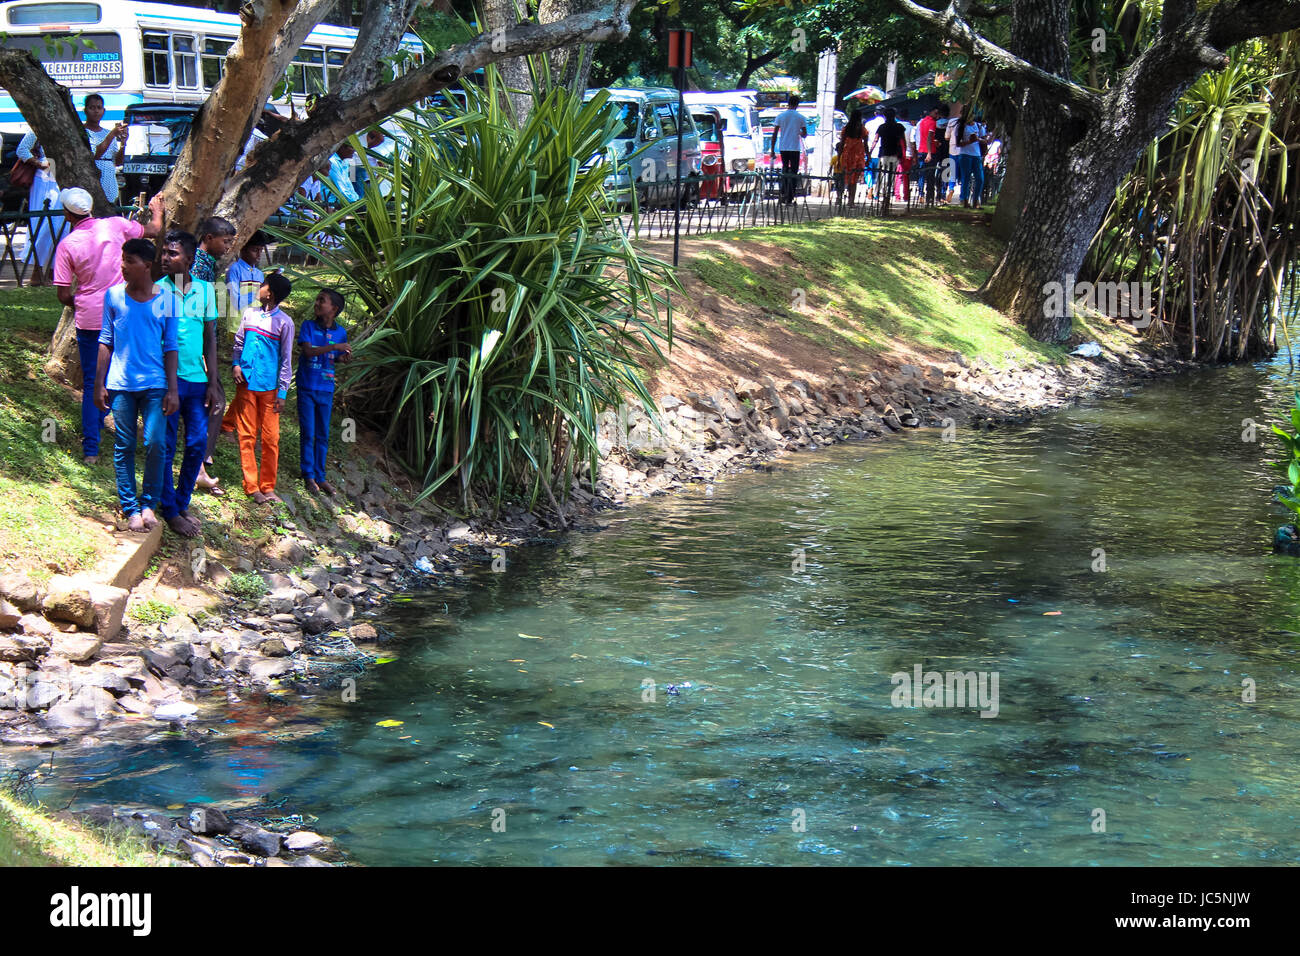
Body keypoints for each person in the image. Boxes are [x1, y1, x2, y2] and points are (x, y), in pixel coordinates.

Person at [53, 187, 165, 464]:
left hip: (90, 318)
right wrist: (158, 211)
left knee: (95, 380)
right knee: (124, 375)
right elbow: (152, 230)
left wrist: (81, 301)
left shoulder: (68, 244)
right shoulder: (116, 224)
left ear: (68, 214)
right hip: (125, 314)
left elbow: (63, 294)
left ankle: (91, 449)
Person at [94, 238, 179, 533]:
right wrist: (98, 384)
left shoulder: (166, 298)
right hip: (120, 384)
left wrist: (173, 389)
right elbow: (105, 341)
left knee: (156, 443)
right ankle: (130, 507)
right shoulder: (114, 295)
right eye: (122, 259)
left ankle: (149, 504)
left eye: (130, 260)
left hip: (156, 384)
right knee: (124, 445)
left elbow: (171, 347)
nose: (123, 265)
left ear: (147, 265)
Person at [156, 230, 221, 538]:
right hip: (168, 382)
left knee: (196, 444)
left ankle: (182, 502)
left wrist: (213, 382)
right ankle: (169, 509)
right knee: (165, 447)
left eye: (172, 254)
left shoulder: (208, 291)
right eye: (164, 253)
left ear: (190, 259)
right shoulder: (158, 290)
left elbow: (210, 338)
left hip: (197, 381)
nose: (165, 258)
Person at [197, 229, 271, 498]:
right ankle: (204, 456)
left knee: (236, 384)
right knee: (228, 384)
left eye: (260, 250)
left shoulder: (259, 275)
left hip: (249, 329)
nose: (257, 254)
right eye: (253, 249)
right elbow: (236, 301)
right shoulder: (231, 271)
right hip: (236, 326)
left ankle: (224, 429)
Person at [231, 273, 294, 504]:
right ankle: (252, 486)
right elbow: (238, 343)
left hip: (269, 388)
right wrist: (236, 365)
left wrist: (283, 392)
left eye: (264, 285)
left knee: (271, 438)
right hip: (246, 383)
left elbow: (286, 360)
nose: (260, 287)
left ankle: (268, 487)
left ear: (271, 293)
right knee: (246, 435)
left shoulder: (284, 322)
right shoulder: (249, 314)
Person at [297, 289, 350, 495]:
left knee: (323, 434)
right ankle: (308, 475)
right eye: (317, 299)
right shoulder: (308, 326)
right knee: (308, 432)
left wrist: (341, 357)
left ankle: (321, 476)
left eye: (322, 301)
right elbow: (308, 351)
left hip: (326, 388)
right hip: (307, 386)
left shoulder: (341, 332)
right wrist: (335, 347)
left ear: (334, 309)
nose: (317, 303)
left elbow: (335, 356)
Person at [16, 133, 62, 286]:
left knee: (59, 223)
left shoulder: (67, 124)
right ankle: (37, 271)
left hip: (61, 175)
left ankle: (53, 271)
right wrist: (38, 163)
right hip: (43, 178)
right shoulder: (36, 127)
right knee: (41, 223)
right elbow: (22, 149)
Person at [82, 93, 126, 204]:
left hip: (109, 181)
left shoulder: (107, 132)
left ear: (103, 110)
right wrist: (112, 134)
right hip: (93, 179)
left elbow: (118, 162)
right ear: (85, 110)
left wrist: (123, 144)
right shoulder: (83, 131)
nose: (96, 111)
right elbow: (95, 154)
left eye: (99, 108)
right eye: (92, 108)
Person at [769, 95, 806, 206]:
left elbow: (774, 134)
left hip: (783, 147)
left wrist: (772, 150)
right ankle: (791, 197)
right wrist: (799, 133)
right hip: (795, 148)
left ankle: (783, 194)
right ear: (797, 104)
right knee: (794, 172)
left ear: (788, 103)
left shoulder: (780, 116)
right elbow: (805, 134)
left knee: (785, 170)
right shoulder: (801, 117)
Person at [871, 108, 907, 208]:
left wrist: (869, 152)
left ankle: (879, 194)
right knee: (892, 176)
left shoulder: (882, 127)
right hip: (894, 154)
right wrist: (903, 153)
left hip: (883, 154)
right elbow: (903, 141)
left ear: (885, 116)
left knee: (881, 175)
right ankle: (888, 195)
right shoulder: (899, 127)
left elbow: (875, 140)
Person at [948, 106, 983, 208]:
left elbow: (984, 140)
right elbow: (958, 144)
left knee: (980, 179)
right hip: (965, 154)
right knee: (965, 178)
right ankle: (965, 200)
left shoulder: (978, 126)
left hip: (976, 154)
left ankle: (975, 200)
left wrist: (979, 140)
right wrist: (970, 141)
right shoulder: (960, 126)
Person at [192, 217, 236, 282]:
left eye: (230, 243)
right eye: (225, 242)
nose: (228, 247)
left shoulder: (208, 264)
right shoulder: (197, 265)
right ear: (209, 238)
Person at [838, 109, 867, 207]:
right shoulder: (862, 129)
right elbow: (866, 144)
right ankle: (851, 201)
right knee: (854, 179)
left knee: (845, 176)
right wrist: (868, 156)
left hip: (847, 155)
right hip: (858, 155)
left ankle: (839, 198)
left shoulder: (846, 128)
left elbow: (842, 143)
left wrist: (839, 157)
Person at [917, 105, 943, 206]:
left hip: (921, 150)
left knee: (922, 175)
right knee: (930, 176)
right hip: (930, 151)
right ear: (931, 112)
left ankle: (921, 194)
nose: (937, 115)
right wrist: (929, 153)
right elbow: (929, 137)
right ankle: (929, 198)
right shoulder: (932, 123)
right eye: (936, 113)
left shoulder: (922, 121)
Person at [862, 107, 886, 199]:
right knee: (880, 173)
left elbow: (865, 139)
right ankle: (876, 192)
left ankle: (870, 186)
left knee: (868, 171)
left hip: (870, 152)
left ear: (875, 113)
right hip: (882, 153)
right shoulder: (885, 124)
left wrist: (866, 152)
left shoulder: (868, 124)